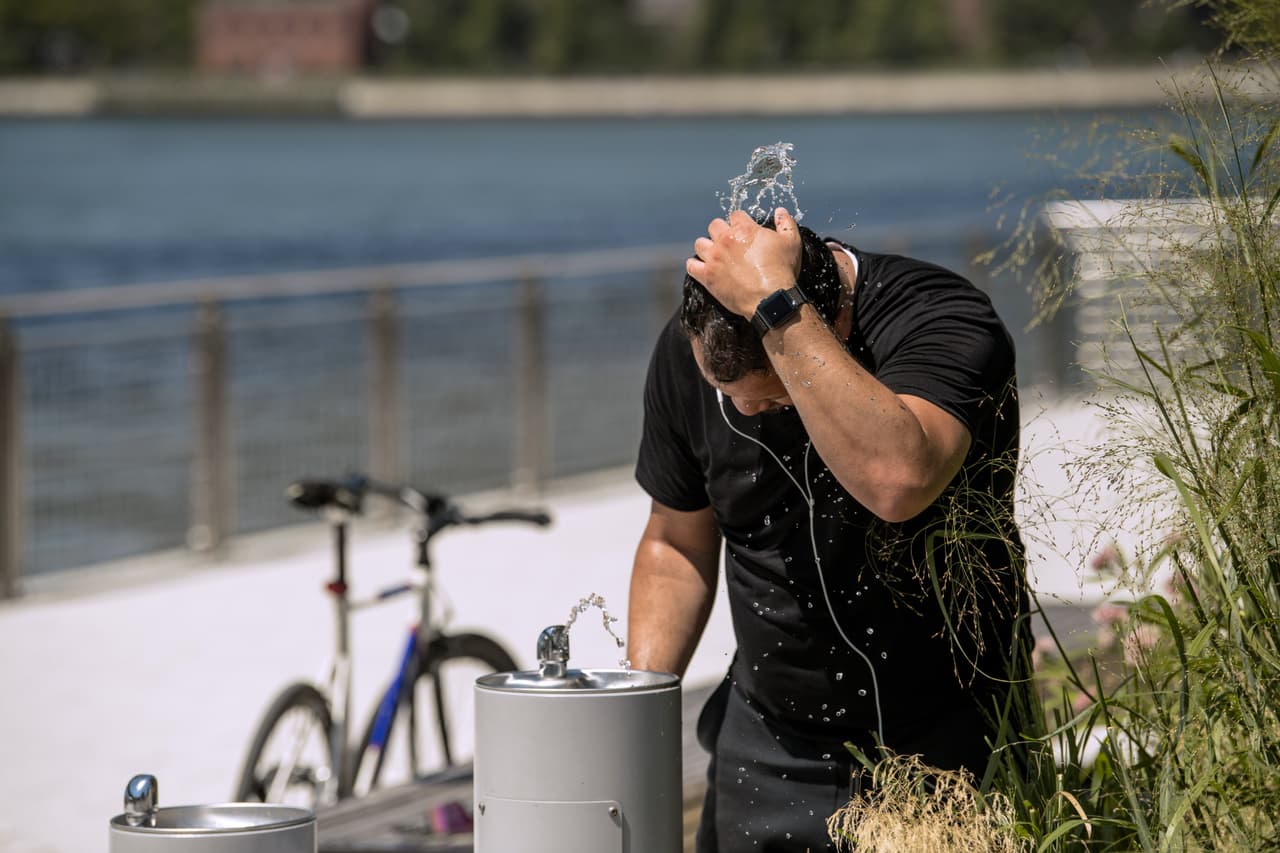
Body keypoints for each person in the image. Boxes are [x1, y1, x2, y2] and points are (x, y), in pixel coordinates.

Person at [627, 207, 1032, 852]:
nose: (742, 412)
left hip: (947, 741)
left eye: (768, 398)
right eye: (725, 392)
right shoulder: (694, 349)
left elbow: (900, 480)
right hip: (768, 741)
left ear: (832, 323)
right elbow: (676, 542)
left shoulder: (940, 318)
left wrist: (775, 303)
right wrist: (635, 709)